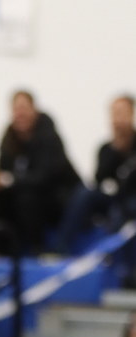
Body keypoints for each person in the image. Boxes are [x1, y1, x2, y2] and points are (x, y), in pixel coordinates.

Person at [0, 89, 80, 256]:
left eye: (24, 108)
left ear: (34, 110)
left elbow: (45, 177)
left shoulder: (48, 136)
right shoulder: (9, 137)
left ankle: (36, 249)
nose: (20, 114)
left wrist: (8, 180)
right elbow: (3, 170)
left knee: (28, 197)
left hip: (55, 199)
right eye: (16, 109)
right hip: (22, 199)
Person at [57, 95, 136, 255]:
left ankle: (116, 259)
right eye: (114, 114)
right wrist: (115, 151)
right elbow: (99, 179)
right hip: (112, 198)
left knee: (125, 208)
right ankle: (61, 248)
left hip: (131, 200)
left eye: (121, 113)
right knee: (84, 193)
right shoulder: (106, 149)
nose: (117, 119)